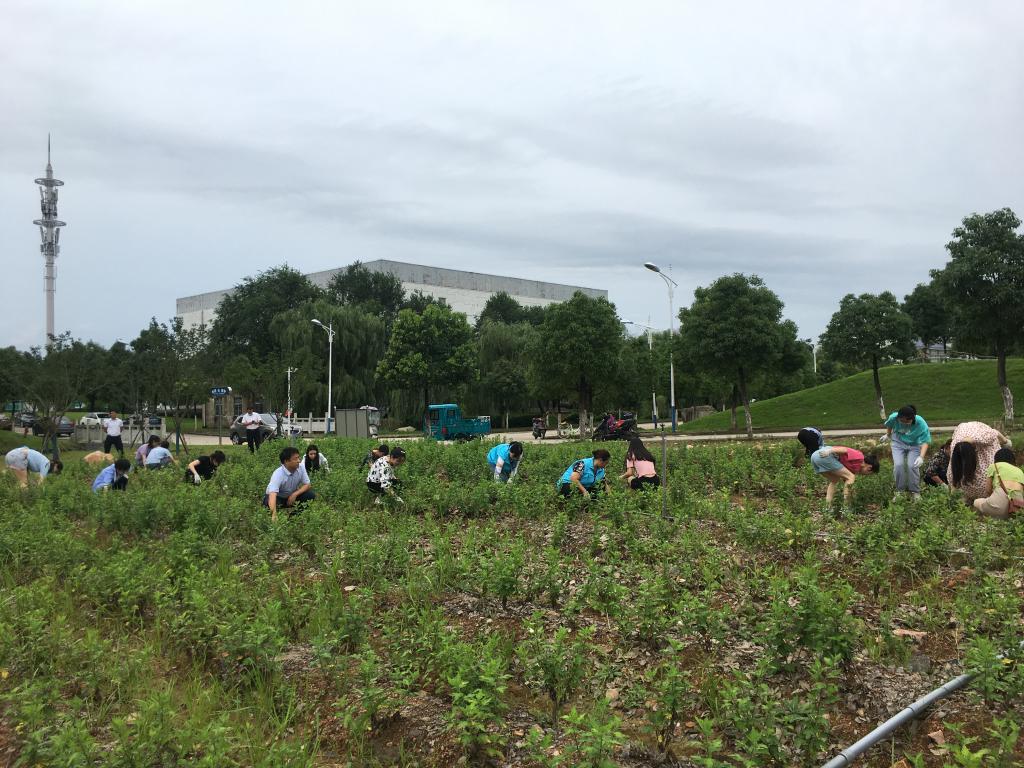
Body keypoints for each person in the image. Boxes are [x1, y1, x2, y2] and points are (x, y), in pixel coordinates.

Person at [947, 421, 1012, 505]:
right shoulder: (956, 446)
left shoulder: (984, 437)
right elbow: (953, 468)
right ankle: (969, 499)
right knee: (960, 474)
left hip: (981, 436)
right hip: (963, 432)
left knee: (984, 475)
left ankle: (979, 499)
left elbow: (995, 432)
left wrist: (1006, 442)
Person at [882, 405, 931, 501]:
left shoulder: (920, 422)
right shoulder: (893, 417)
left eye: (907, 422)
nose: (904, 423)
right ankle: (899, 491)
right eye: (902, 421)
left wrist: (921, 457)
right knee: (898, 465)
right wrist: (888, 434)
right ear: (898, 417)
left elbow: (925, 441)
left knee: (912, 466)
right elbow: (890, 425)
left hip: (914, 444)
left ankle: (915, 492)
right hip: (898, 442)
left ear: (913, 419)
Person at [810, 445, 881, 507]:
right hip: (825, 455)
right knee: (851, 477)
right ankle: (846, 506)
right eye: (869, 474)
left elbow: (848, 484)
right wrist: (829, 451)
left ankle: (828, 507)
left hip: (814, 457)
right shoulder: (859, 456)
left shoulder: (855, 468)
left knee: (834, 480)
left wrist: (853, 494)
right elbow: (844, 449)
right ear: (869, 468)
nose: (866, 475)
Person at [264, 446, 316, 521]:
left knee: (310, 495)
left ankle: (293, 518)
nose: (298, 461)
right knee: (268, 502)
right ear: (286, 461)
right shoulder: (278, 474)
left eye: (298, 458)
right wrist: (274, 514)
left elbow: (307, 485)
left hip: (291, 497)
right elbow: (272, 494)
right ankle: (275, 520)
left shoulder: (301, 467)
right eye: (295, 459)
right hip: (279, 498)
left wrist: (294, 494)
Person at [973, 447, 1023, 520]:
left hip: (998, 507)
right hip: (1016, 510)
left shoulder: (994, 466)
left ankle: (982, 521)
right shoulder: (1019, 471)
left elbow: (988, 490)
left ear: (996, 458)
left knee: (976, 502)